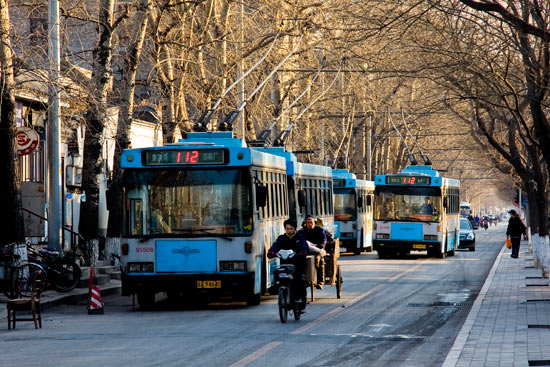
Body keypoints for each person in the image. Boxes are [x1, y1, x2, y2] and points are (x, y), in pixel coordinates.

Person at [267, 219, 309, 310]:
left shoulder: (300, 237)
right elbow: (275, 246)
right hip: (285, 264)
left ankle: (301, 301)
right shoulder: (281, 238)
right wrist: (271, 252)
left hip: (298, 264)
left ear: (295, 229)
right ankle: (284, 296)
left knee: (300, 282)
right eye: (287, 229)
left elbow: (304, 246)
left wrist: (303, 252)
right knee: (278, 277)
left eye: (291, 229)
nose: (289, 231)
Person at [299, 215, 327, 289]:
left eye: (311, 222)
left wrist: (321, 246)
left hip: (317, 251)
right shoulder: (302, 231)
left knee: (319, 261)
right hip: (306, 251)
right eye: (308, 222)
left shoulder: (320, 230)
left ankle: (320, 281)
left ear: (314, 222)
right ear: (306, 223)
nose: (310, 224)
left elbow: (323, 240)